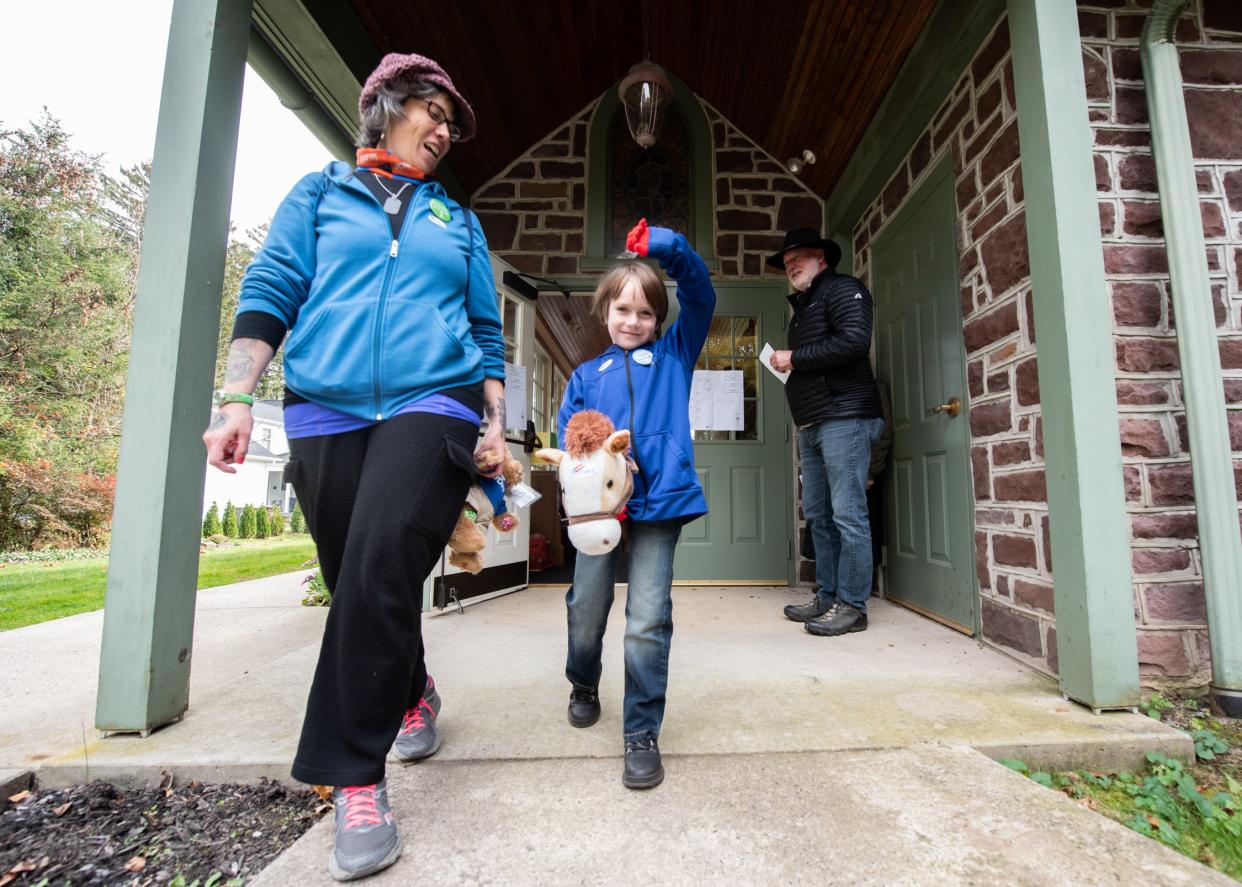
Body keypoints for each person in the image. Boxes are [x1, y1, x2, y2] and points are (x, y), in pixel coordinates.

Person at [202, 53, 504, 882]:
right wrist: (236, 397)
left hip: (432, 405)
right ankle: (412, 686)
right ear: (385, 106)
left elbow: (485, 335)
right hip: (324, 406)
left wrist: (497, 429)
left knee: (377, 558)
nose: (444, 130)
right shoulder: (319, 194)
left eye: (450, 120)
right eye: (433, 111)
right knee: (356, 575)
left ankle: (354, 777)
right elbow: (272, 288)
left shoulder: (457, 220)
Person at [557, 219, 715, 789]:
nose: (633, 321)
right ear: (606, 314)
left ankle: (640, 731)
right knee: (587, 607)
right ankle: (582, 679)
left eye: (645, 312)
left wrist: (667, 247)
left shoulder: (674, 355)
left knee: (647, 620)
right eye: (623, 311)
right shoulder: (583, 376)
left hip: (661, 507)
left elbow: (701, 292)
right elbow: (572, 443)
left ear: (659, 319)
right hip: (598, 513)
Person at [767, 228, 884, 637]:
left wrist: (794, 358)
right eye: (785, 263)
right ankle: (828, 595)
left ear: (820, 256)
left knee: (848, 513)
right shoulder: (807, 303)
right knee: (818, 513)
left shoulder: (843, 289)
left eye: (796, 257)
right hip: (814, 422)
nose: (790, 266)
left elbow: (854, 342)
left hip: (846, 417)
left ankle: (852, 605)